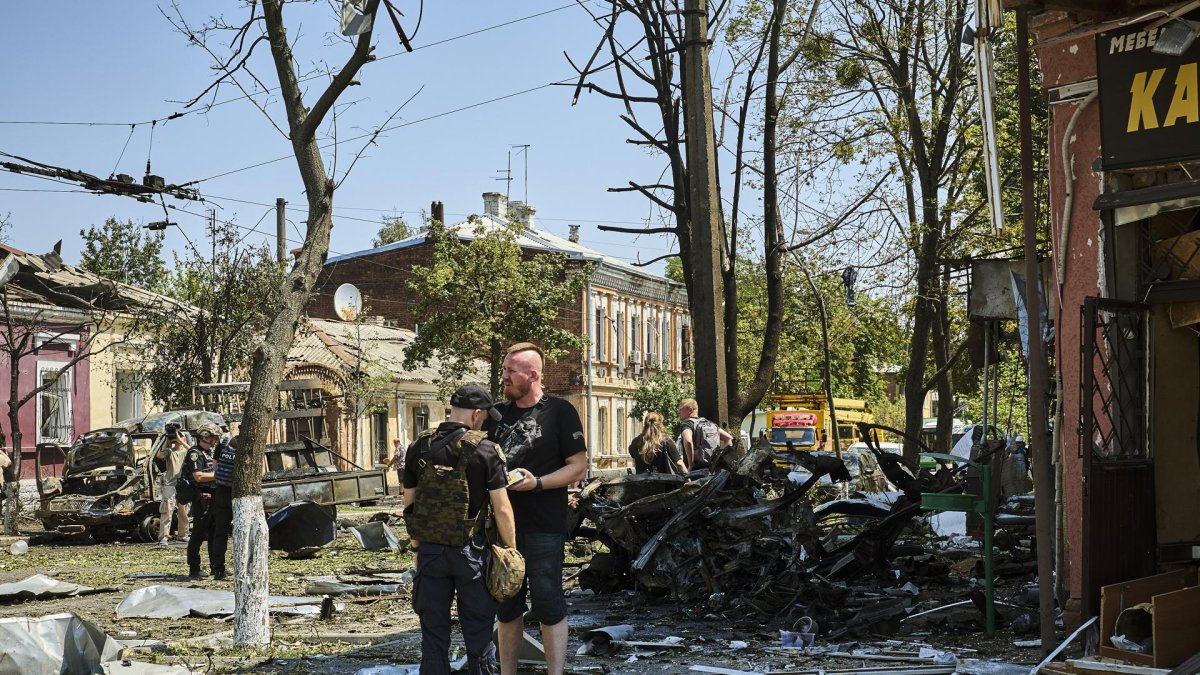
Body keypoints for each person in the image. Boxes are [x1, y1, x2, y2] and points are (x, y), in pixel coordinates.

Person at [487, 343, 587, 675]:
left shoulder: (560, 412)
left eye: (510, 371)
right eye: (503, 369)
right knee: (506, 605)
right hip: (502, 529)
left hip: (545, 526)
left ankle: (555, 672)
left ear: (533, 375)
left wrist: (538, 483)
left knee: (548, 603)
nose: (504, 376)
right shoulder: (496, 415)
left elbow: (578, 467)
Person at [404, 383, 516, 675]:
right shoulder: (486, 450)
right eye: (486, 416)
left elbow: (409, 504)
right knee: (479, 635)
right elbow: (502, 509)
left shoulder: (419, 446)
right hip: (471, 553)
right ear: (477, 414)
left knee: (433, 635)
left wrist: (416, 547)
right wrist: (511, 551)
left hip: (430, 552)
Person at [182, 422, 221, 580]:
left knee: (214, 533)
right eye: (213, 437)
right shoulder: (195, 454)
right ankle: (194, 568)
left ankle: (215, 567)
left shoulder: (208, 453)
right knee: (198, 533)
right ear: (205, 437)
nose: (215, 440)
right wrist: (219, 475)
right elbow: (198, 476)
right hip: (201, 498)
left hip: (212, 497)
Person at [205, 433, 237, 581]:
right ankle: (241, 567)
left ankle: (218, 568)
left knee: (220, 532)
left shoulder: (225, 442)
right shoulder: (247, 444)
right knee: (241, 531)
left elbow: (214, 466)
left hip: (220, 491)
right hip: (237, 493)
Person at [154, 424, 190, 546]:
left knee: (183, 511)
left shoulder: (187, 451)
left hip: (183, 484)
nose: (177, 437)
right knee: (167, 511)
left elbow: (194, 451)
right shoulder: (170, 451)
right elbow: (159, 455)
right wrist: (167, 439)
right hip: (170, 484)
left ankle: (183, 535)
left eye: (180, 436)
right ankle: (163, 537)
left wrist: (181, 440)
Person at [677, 398, 733, 470]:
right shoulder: (711, 424)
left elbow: (688, 440)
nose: (678, 412)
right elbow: (729, 439)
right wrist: (721, 458)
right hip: (714, 470)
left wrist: (691, 464)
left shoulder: (687, 424)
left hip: (696, 470)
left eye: (681, 409)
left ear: (690, 410)